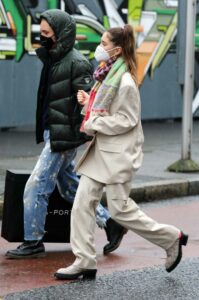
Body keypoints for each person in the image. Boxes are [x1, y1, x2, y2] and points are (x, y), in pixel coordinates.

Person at [54, 24, 188, 280]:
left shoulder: (124, 81)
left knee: (120, 210)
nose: (99, 48)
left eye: (104, 44)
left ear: (116, 49)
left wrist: (93, 123)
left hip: (118, 154)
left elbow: (126, 120)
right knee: (82, 204)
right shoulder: (106, 75)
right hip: (102, 152)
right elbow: (105, 109)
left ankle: (172, 237)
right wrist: (88, 105)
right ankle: (84, 260)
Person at [5, 9, 127, 259]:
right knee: (70, 186)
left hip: (65, 137)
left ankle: (33, 241)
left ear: (61, 33)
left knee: (36, 185)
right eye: (41, 33)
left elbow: (89, 103)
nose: (43, 37)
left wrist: (80, 131)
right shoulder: (53, 58)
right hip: (55, 132)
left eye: (47, 33)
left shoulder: (77, 62)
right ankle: (111, 223)